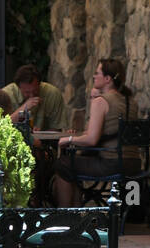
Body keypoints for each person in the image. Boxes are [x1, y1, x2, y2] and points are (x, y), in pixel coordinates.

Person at [54, 58, 136, 207]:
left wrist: (69, 139)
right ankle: (77, 212)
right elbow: (109, 131)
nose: (94, 76)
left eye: (97, 73)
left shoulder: (101, 101)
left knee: (63, 164)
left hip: (112, 163)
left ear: (107, 79)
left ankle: (65, 214)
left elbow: (92, 139)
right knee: (77, 161)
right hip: (133, 163)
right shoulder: (130, 101)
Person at [3, 64, 65, 131]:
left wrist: (39, 135)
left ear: (40, 84)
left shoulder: (52, 94)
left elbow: (56, 129)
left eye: (35, 91)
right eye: (27, 92)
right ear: (18, 87)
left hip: (45, 140)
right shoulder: (6, 95)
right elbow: (0, 127)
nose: (32, 96)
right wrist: (24, 108)